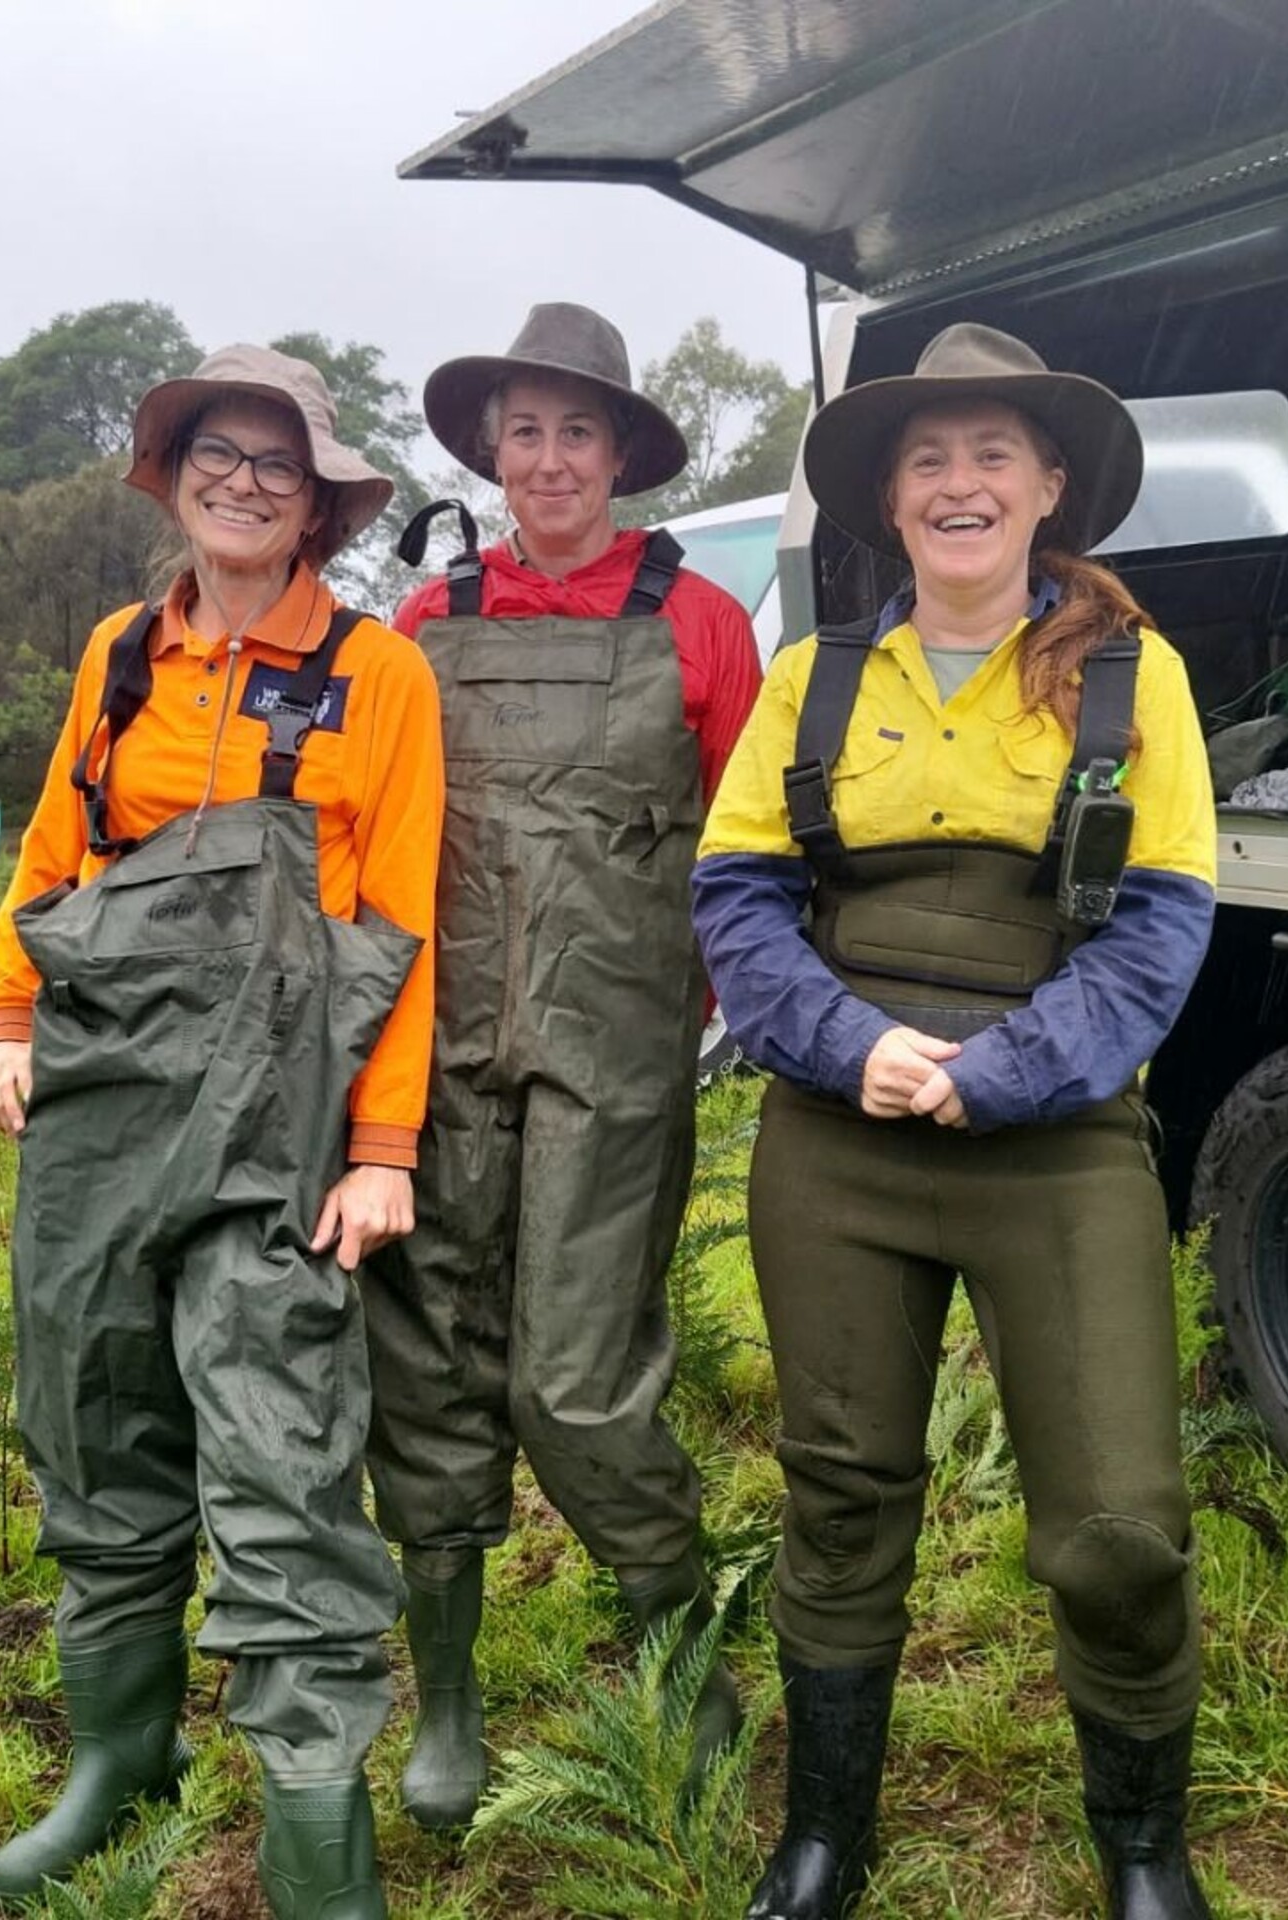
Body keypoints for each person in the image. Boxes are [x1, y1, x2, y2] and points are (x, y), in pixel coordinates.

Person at [692, 323, 1220, 1920]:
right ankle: (827, 1838)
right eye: (928, 458)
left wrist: (993, 1074)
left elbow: (1162, 927)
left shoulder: (1137, 678)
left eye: (993, 452)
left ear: (1049, 485)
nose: (961, 482)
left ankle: (1142, 1849)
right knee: (840, 1489)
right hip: (839, 1137)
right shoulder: (815, 676)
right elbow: (736, 902)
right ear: (888, 498)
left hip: (1053, 1138)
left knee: (1120, 1526)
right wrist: (856, 1050)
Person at [0, 343, 444, 1918]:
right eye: (217, 457)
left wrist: (383, 1151)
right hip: (100, 1104)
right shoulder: (121, 653)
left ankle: (320, 1848)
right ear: (172, 475)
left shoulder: (380, 676)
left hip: (279, 1113)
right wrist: (4, 1023)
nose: (244, 485)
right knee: (95, 1415)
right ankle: (118, 1760)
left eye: (278, 465)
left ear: (318, 505)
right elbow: (53, 857)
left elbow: (403, 919)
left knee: (279, 1450)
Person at [359, 301, 764, 1831]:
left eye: (576, 432)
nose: (547, 460)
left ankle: (685, 1646)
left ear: (622, 455)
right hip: (440, 1039)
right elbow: (376, 830)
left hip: (619, 1047)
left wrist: (725, 1008)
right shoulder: (420, 622)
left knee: (580, 1381)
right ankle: (448, 1705)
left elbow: (741, 848)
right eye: (521, 430)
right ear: (485, 448)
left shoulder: (700, 622)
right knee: (433, 1360)